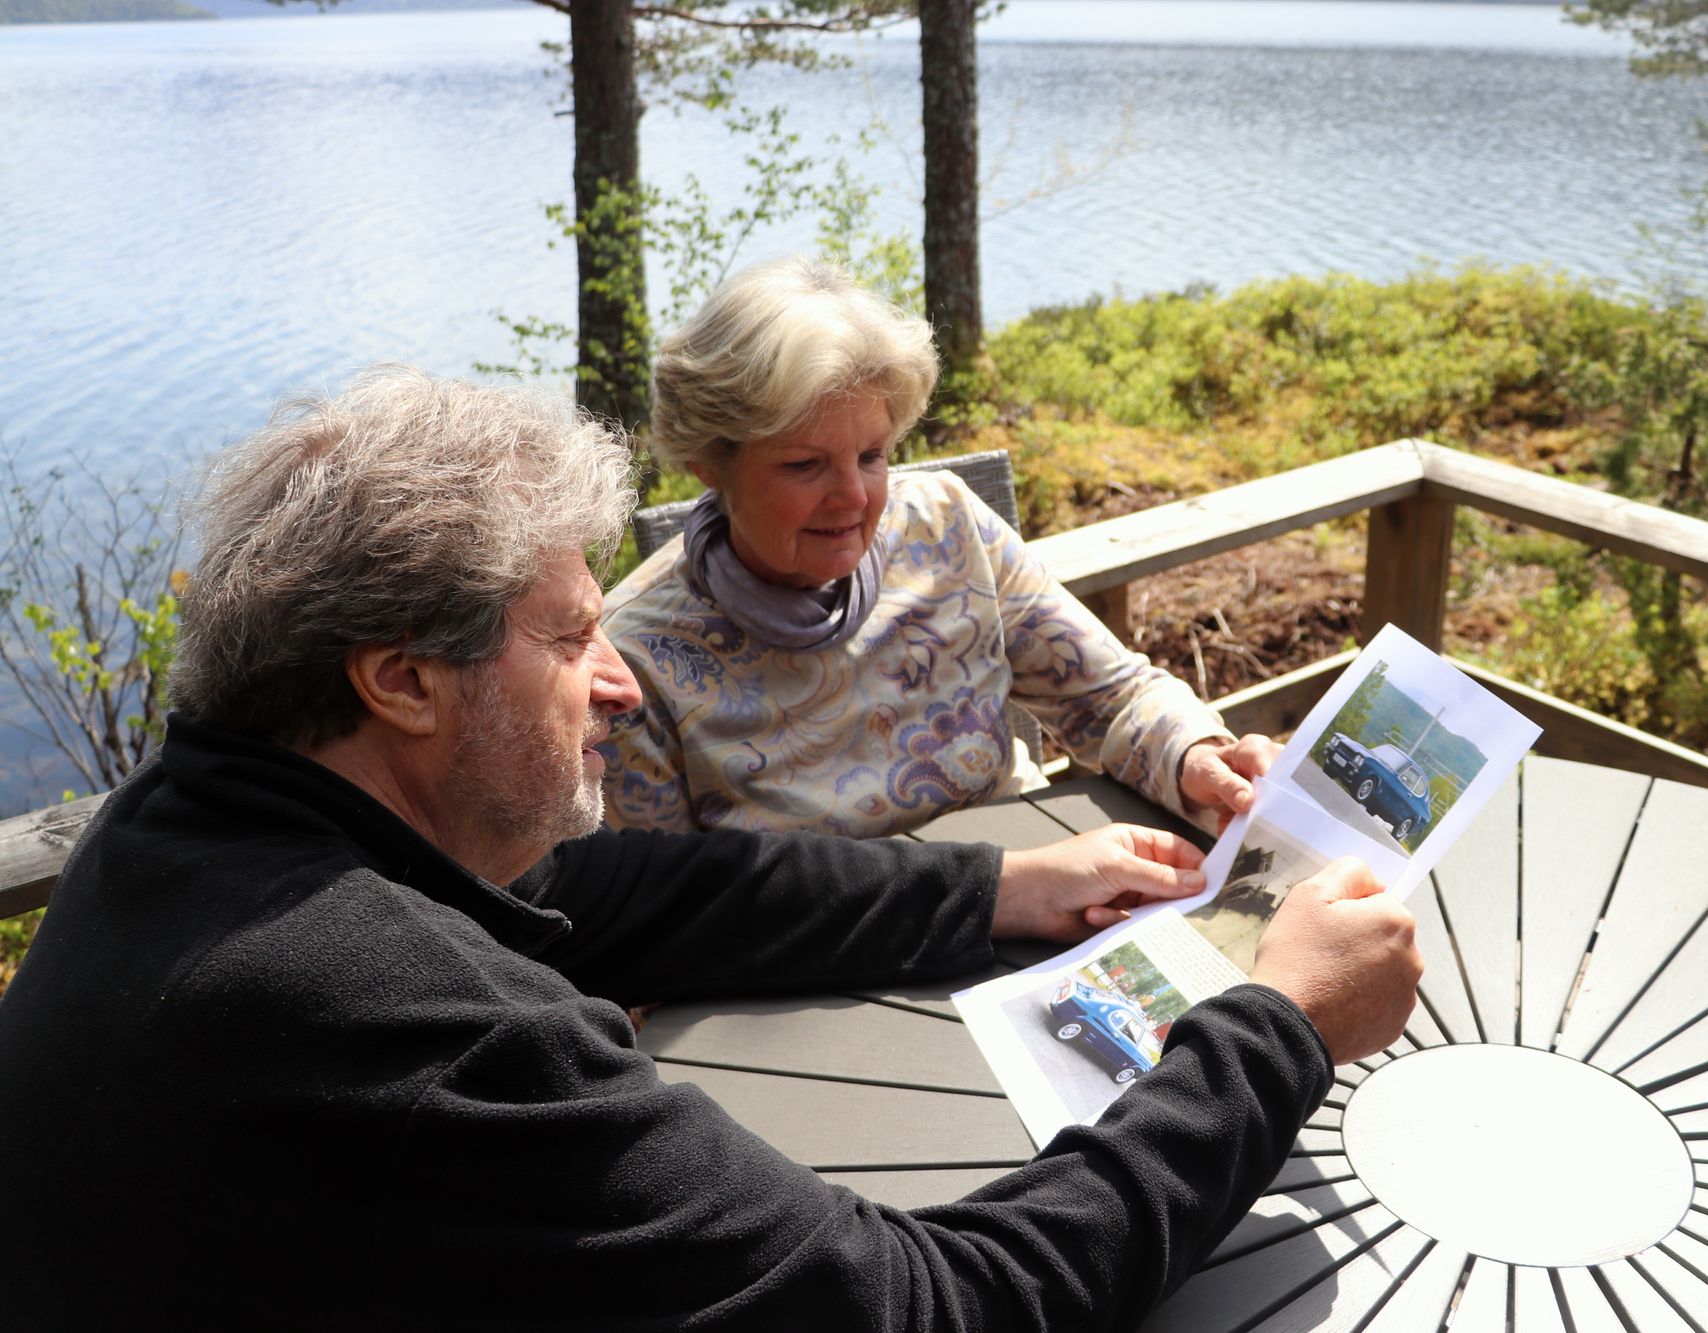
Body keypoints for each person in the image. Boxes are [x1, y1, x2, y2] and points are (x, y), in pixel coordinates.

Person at [0, 367, 1421, 1328]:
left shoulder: (200, 827)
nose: (615, 676)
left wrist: (998, 885)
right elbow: (930, 1306)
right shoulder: (413, 1028)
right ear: (402, 682)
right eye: (566, 639)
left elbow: (632, 891)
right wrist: (1274, 1028)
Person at [601, 255, 1280, 839]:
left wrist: (1195, 753)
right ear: (710, 464)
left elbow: (1112, 698)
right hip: (813, 984)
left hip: (1043, 908)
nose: (855, 498)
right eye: (805, 465)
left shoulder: (944, 526)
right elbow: (670, 919)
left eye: (872, 454)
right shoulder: (636, 660)